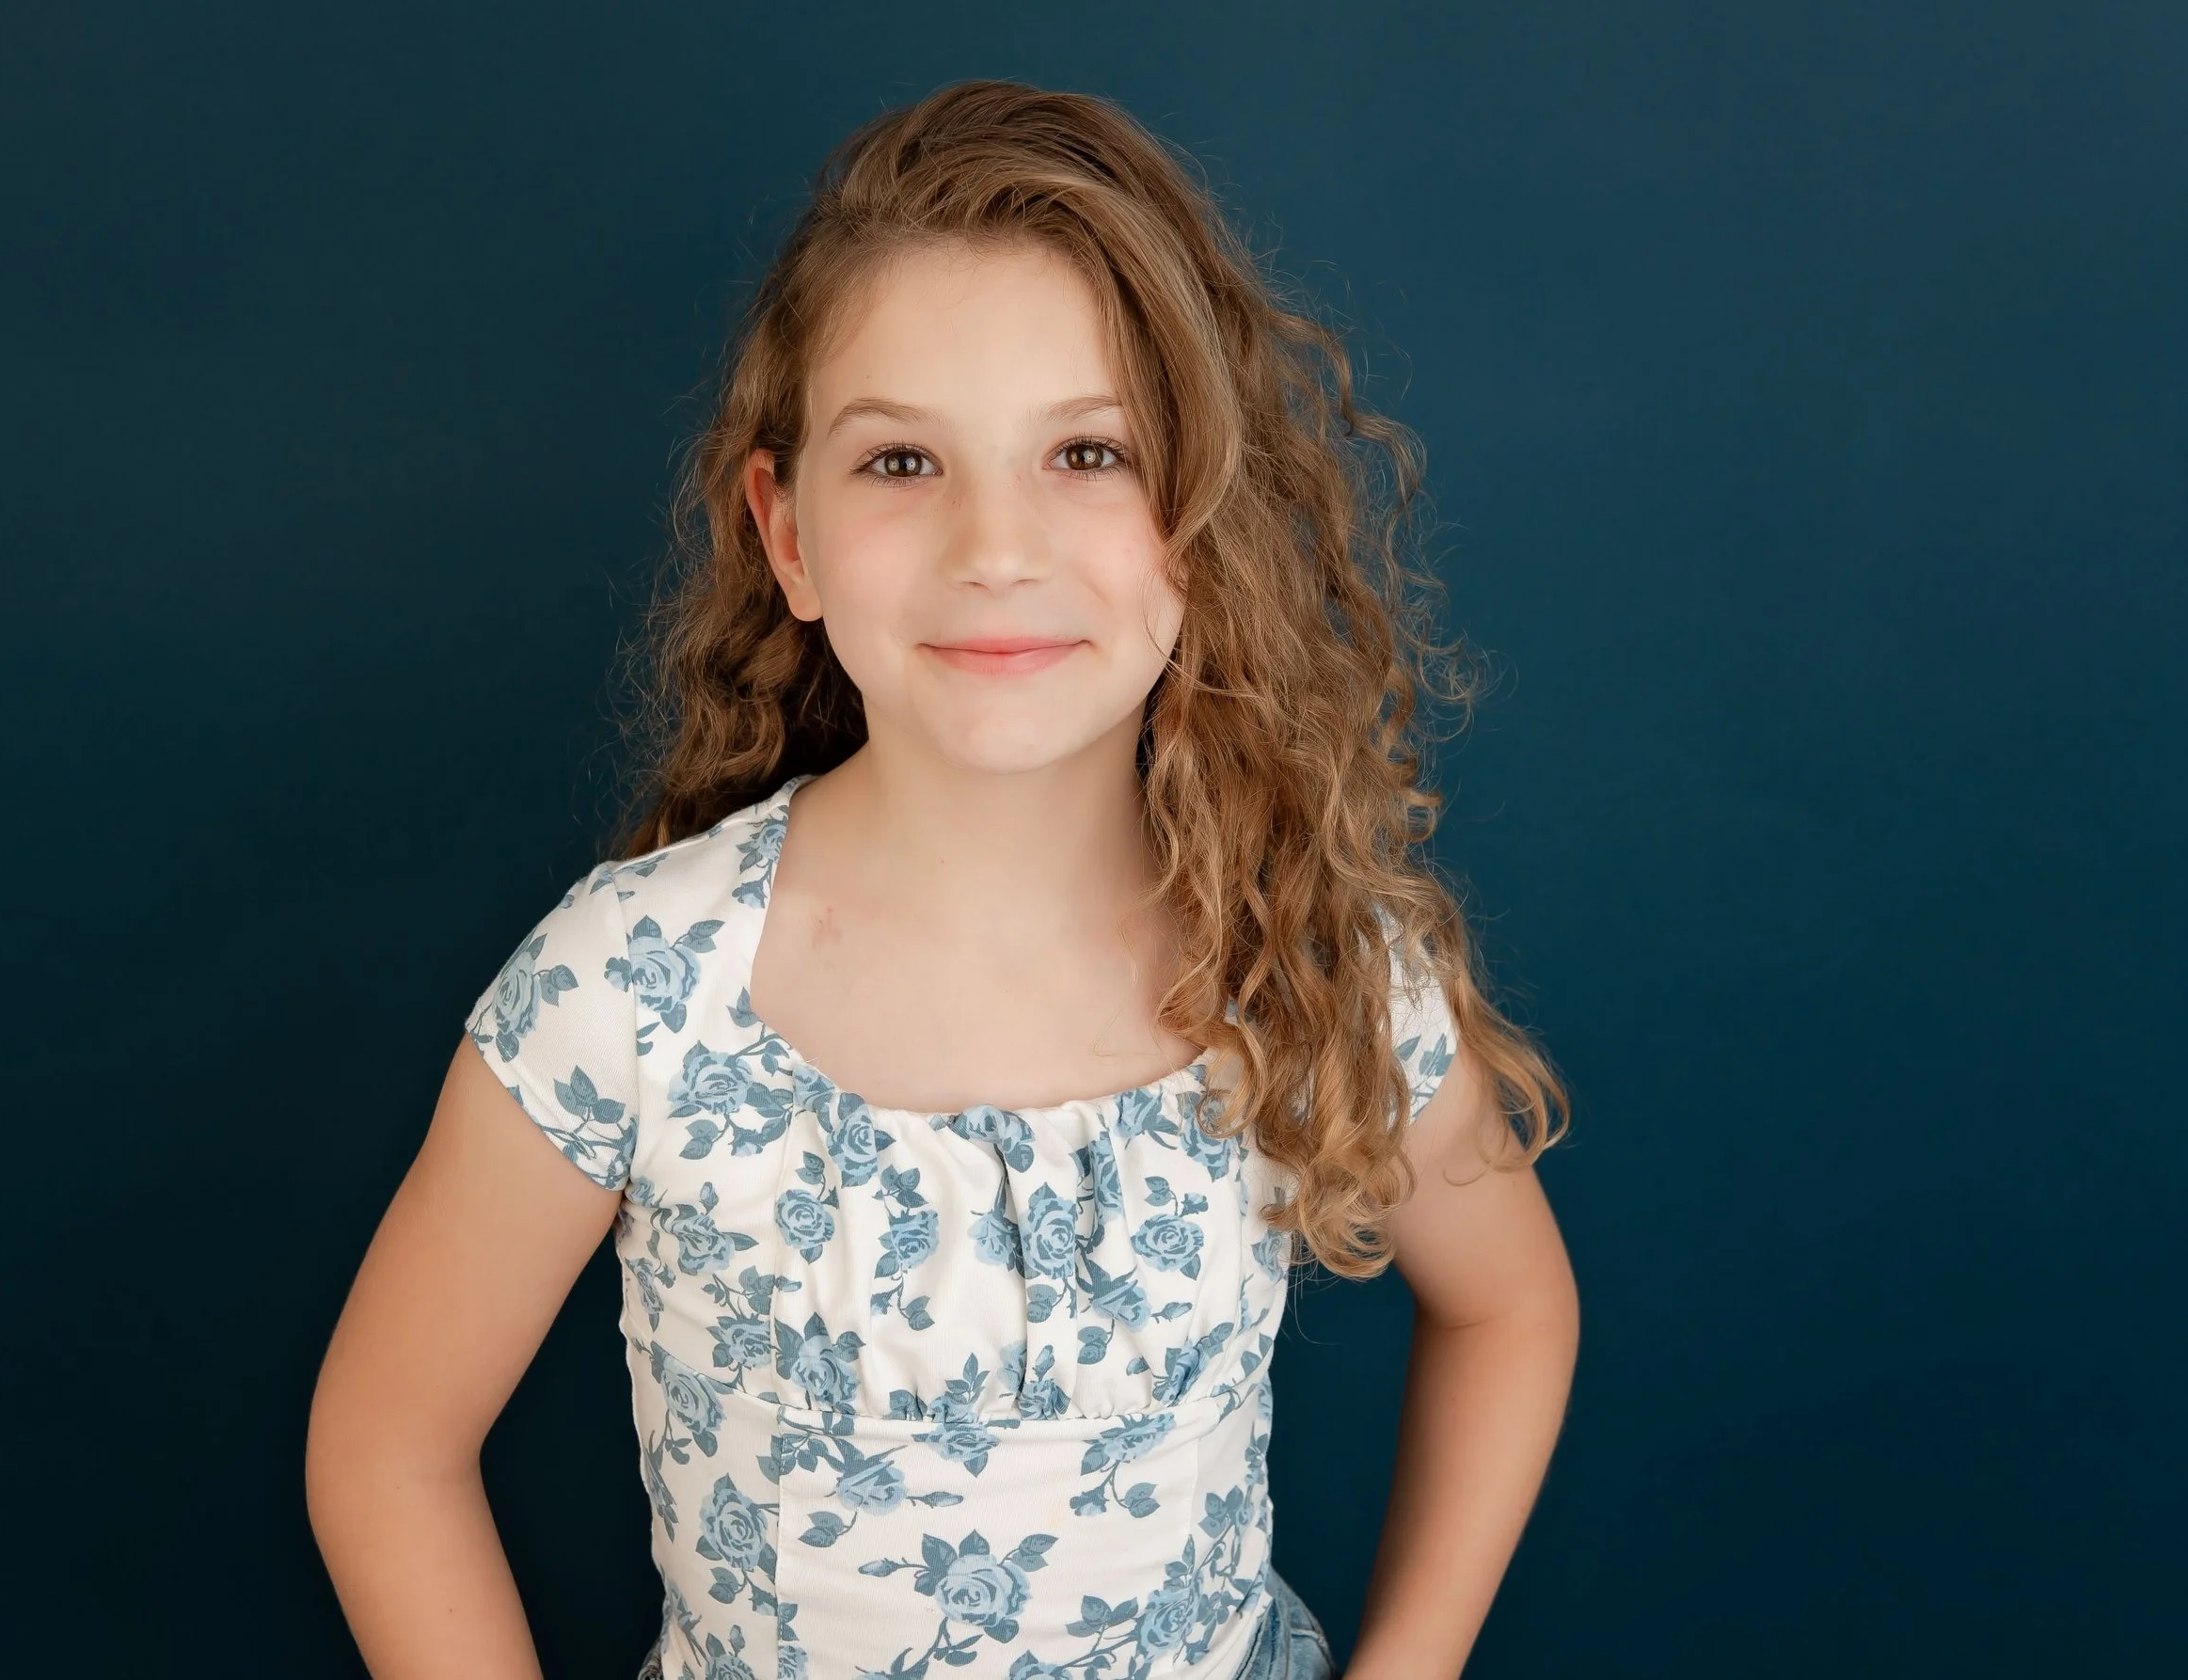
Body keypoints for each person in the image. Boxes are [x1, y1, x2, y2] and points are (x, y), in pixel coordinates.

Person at [306, 80, 1578, 1680]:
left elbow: (1512, 1305)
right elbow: (388, 1443)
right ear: (788, 535)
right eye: (903, 461)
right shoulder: (631, 991)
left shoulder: (1303, 954)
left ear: (1202, 517)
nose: (996, 545)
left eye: (1089, 452)